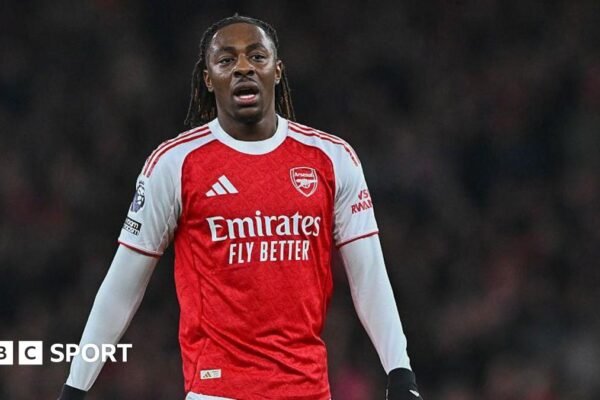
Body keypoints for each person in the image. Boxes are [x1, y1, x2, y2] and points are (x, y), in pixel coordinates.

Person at [58, 15, 423, 400]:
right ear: (208, 79)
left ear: (277, 70)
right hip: (217, 391)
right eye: (226, 60)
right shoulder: (175, 165)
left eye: (257, 56)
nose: (243, 67)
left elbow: (369, 276)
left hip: (308, 390)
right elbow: (121, 288)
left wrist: (400, 371)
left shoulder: (332, 159)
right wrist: (75, 387)